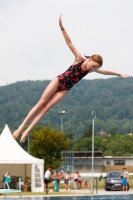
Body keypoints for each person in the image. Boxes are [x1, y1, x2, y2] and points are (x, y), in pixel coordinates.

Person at [13, 14, 130, 143]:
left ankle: (26, 131)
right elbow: (69, 43)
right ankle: (20, 127)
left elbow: (105, 72)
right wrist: (62, 28)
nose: (93, 68)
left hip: (65, 89)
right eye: (94, 65)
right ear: (90, 59)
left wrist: (119, 74)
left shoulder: (91, 70)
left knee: (46, 109)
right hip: (58, 81)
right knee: (41, 104)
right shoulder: (79, 58)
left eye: (96, 67)